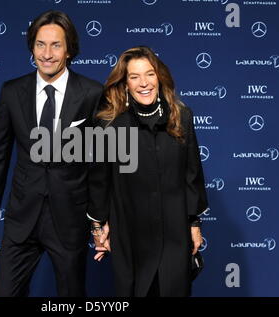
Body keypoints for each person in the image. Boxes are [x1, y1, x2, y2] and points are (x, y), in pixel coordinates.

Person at [0, 10, 103, 297]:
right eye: (40, 44)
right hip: (21, 220)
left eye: (56, 45)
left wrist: (100, 222)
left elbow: (102, 164)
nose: (47, 54)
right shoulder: (12, 91)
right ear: (31, 48)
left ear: (69, 49)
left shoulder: (92, 93)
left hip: (69, 219)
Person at [88, 46, 209, 297]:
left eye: (150, 74)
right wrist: (99, 229)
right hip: (130, 234)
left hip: (174, 233)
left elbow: (192, 175)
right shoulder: (109, 124)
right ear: (125, 84)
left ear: (159, 77)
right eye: (134, 77)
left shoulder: (181, 116)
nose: (144, 83)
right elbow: (100, 181)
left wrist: (194, 224)